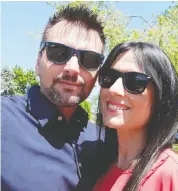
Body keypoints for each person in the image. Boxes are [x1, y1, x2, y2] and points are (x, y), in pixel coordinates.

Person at [1, 5, 105, 191]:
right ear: (37, 63)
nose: (72, 68)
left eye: (89, 60)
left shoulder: (106, 141)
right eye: (58, 53)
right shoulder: (4, 121)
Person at [93, 42, 178, 191]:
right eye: (109, 77)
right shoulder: (101, 169)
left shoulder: (176, 177)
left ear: (161, 96)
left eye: (134, 81)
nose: (114, 89)